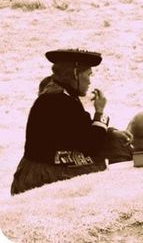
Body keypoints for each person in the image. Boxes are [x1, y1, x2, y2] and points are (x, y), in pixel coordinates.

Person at [11, 49, 132, 195]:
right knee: (114, 150)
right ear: (75, 74)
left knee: (116, 141)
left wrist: (112, 132)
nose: (89, 81)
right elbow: (91, 144)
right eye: (88, 75)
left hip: (44, 166)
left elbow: (82, 131)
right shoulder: (58, 101)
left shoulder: (61, 97)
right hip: (44, 173)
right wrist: (100, 113)